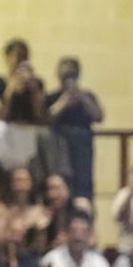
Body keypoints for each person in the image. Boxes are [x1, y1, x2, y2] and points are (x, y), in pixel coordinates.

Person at [46, 56, 103, 198]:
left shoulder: (88, 95)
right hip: (59, 142)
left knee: (84, 180)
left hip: (82, 144)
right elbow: (46, 119)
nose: (69, 79)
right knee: (61, 178)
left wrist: (82, 98)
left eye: (72, 74)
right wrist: (63, 102)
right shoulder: (52, 97)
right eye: (65, 75)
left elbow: (98, 116)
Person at [0, 38, 47, 125]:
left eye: (25, 57)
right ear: (7, 57)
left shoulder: (37, 83)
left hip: (29, 129)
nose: (22, 62)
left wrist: (34, 91)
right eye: (19, 57)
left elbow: (42, 116)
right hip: (7, 130)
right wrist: (10, 91)